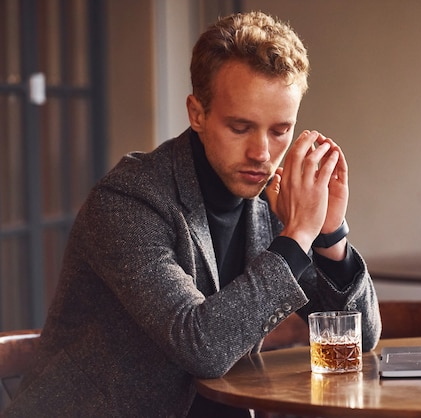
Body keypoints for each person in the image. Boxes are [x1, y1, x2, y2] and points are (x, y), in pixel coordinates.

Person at [6, 11, 381, 418]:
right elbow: (201, 346)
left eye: (279, 131)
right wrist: (299, 236)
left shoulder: (272, 201)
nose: (262, 153)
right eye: (240, 128)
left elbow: (359, 339)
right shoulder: (127, 200)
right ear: (197, 113)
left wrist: (329, 237)